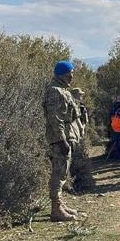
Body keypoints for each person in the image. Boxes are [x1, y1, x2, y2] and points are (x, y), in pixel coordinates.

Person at [42, 61, 80, 222]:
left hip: (65, 135)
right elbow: (54, 118)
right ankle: (56, 209)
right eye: (70, 74)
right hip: (60, 138)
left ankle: (59, 204)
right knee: (58, 172)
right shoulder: (55, 91)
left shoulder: (62, 90)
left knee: (63, 171)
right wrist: (61, 140)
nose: (72, 77)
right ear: (63, 74)